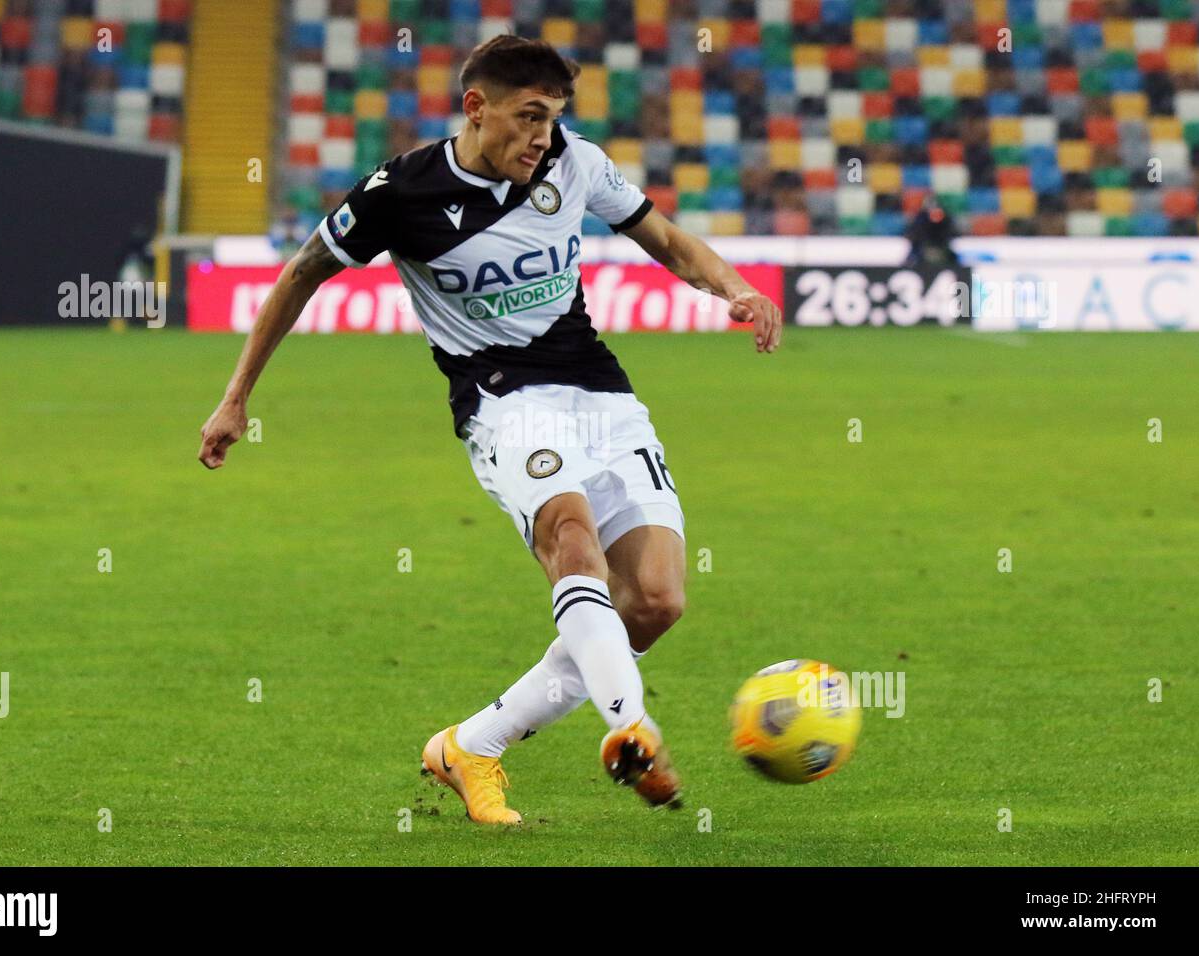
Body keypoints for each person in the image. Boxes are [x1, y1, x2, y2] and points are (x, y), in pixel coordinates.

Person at [198, 35, 781, 825]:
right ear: (477, 108)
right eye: (529, 117)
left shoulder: (574, 162)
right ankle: (630, 727)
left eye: (553, 119)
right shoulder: (400, 191)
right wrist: (236, 398)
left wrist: (735, 289)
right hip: (502, 399)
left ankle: (472, 746)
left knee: (655, 599)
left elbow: (667, 241)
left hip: (601, 394)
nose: (543, 136)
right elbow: (302, 273)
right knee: (569, 539)